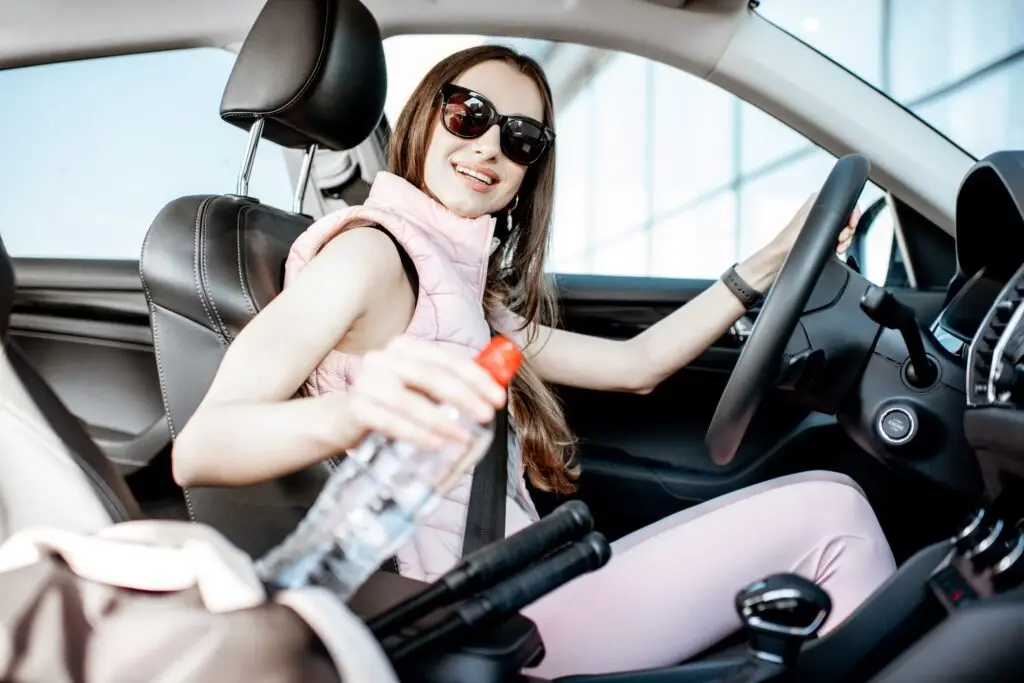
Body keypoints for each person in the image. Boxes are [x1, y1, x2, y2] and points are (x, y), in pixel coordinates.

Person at [172, 45, 895, 677]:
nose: (490, 146)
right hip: (470, 609)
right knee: (834, 513)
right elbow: (203, 447)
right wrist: (356, 410)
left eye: (521, 139)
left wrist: (769, 262)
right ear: (426, 117)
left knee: (830, 491)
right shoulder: (369, 253)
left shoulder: (462, 289)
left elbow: (636, 364)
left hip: (523, 581)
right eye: (469, 115)